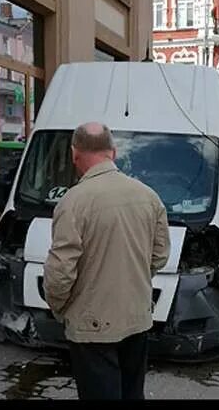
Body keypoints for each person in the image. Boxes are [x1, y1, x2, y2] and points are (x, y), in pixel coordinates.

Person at [43, 122, 169, 400]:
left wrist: (59, 307)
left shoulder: (73, 202)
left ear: (75, 153)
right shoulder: (148, 196)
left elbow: (61, 271)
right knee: (132, 393)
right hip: (137, 317)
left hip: (91, 325)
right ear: (112, 152)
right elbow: (160, 255)